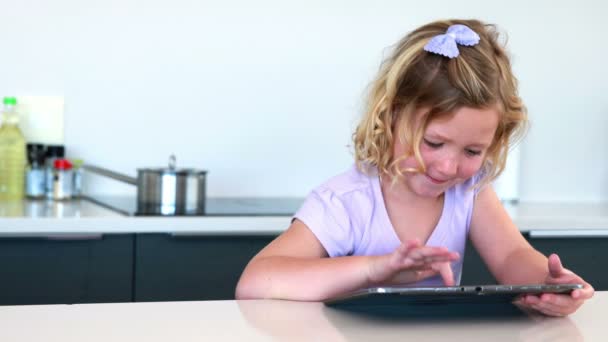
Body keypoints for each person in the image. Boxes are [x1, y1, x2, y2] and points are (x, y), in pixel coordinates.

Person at [235, 19, 594, 316]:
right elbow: (255, 282)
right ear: (391, 116)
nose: (448, 166)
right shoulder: (345, 201)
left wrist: (547, 286)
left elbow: (512, 255)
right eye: (434, 143)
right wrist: (376, 270)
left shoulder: (469, 192)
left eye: (472, 150)